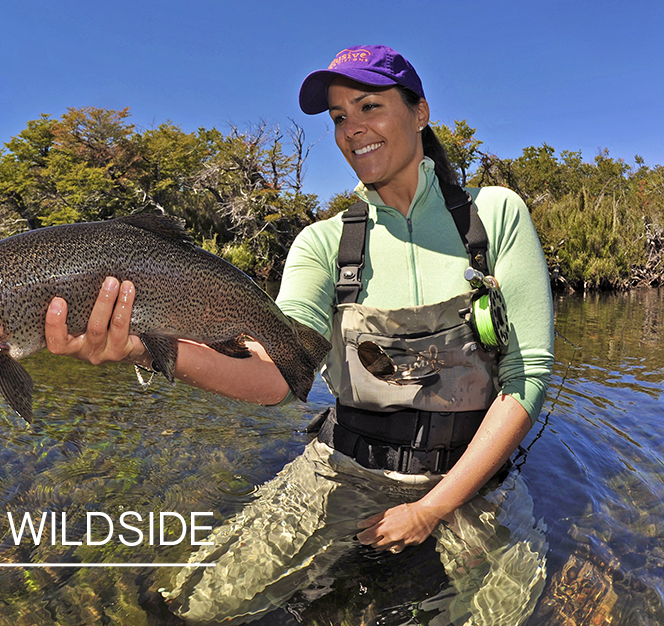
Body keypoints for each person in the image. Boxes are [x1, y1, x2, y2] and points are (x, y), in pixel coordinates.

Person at [44, 45, 553, 625]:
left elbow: (527, 376)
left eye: (369, 106)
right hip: (344, 467)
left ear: (420, 112)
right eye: (338, 117)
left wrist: (432, 508)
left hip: (475, 480)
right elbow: (278, 379)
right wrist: (145, 348)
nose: (351, 129)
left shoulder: (495, 214)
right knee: (187, 607)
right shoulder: (322, 243)